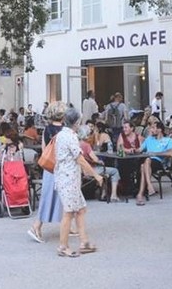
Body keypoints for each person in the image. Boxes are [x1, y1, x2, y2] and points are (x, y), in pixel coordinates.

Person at [53, 106, 102, 258]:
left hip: (67, 178)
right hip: (68, 179)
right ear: (75, 122)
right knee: (68, 213)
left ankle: (84, 242)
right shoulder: (70, 137)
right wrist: (96, 175)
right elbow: (79, 158)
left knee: (80, 209)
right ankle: (63, 246)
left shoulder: (62, 135)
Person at [28, 102, 66, 244]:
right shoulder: (65, 130)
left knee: (51, 195)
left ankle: (72, 225)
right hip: (61, 167)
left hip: (50, 167)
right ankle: (36, 226)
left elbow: (44, 149)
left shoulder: (46, 129)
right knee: (61, 196)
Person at [136, 121, 172, 205]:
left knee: (145, 162)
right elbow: (139, 150)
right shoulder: (149, 139)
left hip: (159, 162)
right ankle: (143, 192)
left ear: (159, 129)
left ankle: (144, 191)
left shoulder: (168, 140)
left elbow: (171, 153)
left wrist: (155, 153)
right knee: (144, 164)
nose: (151, 130)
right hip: (147, 162)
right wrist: (132, 149)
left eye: (153, 128)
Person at [77, 125, 119, 202]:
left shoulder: (76, 144)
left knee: (104, 173)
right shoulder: (86, 145)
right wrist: (100, 161)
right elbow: (95, 159)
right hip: (91, 170)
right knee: (114, 171)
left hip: (81, 170)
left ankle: (103, 193)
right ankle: (113, 195)